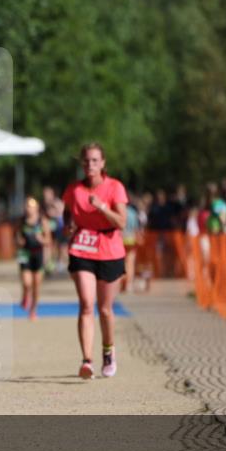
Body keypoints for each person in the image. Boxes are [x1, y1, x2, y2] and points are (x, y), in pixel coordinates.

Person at [62, 143, 128, 379]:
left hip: (110, 250)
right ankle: (87, 360)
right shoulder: (74, 189)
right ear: (82, 163)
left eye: (95, 160)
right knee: (87, 304)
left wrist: (101, 208)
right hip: (82, 249)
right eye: (86, 161)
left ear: (103, 163)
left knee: (105, 309)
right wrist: (68, 224)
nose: (90, 165)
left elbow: (121, 222)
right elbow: (67, 212)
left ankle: (108, 352)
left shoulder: (114, 187)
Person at [15, 196, 51, 319]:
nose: (28, 209)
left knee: (36, 285)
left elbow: (48, 240)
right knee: (26, 282)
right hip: (25, 253)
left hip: (38, 253)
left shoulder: (42, 221)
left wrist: (42, 239)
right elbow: (17, 236)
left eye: (31, 207)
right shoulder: (22, 220)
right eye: (27, 206)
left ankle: (33, 310)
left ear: (36, 208)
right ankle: (25, 295)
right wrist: (19, 241)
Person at [42, 186, 65, 276]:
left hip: (59, 227)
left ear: (52, 194)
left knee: (59, 246)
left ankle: (59, 262)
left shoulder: (57, 202)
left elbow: (61, 212)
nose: (46, 196)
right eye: (45, 194)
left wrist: (53, 212)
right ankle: (48, 264)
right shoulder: (43, 204)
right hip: (48, 228)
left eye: (48, 194)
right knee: (48, 245)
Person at [121, 193, 142, 293]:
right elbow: (137, 228)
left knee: (121, 263)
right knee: (130, 263)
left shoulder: (119, 211)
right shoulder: (133, 212)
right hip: (131, 239)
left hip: (120, 239)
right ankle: (129, 285)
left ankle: (121, 284)